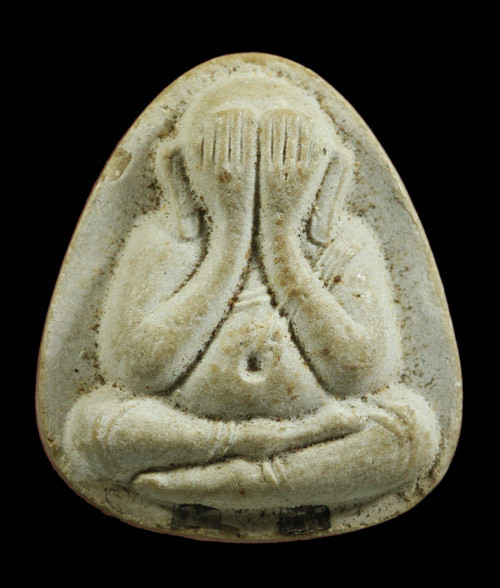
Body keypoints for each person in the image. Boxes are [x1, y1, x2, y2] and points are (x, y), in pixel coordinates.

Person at [65, 77, 440, 509]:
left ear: (332, 170)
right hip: (200, 425)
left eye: (289, 152)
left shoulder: (346, 241)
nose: (256, 170)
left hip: (316, 424)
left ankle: (233, 481)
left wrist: (281, 241)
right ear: (179, 167)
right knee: (91, 429)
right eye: (226, 150)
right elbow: (136, 371)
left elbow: (362, 374)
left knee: (411, 432)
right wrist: (230, 237)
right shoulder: (163, 241)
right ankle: (246, 451)